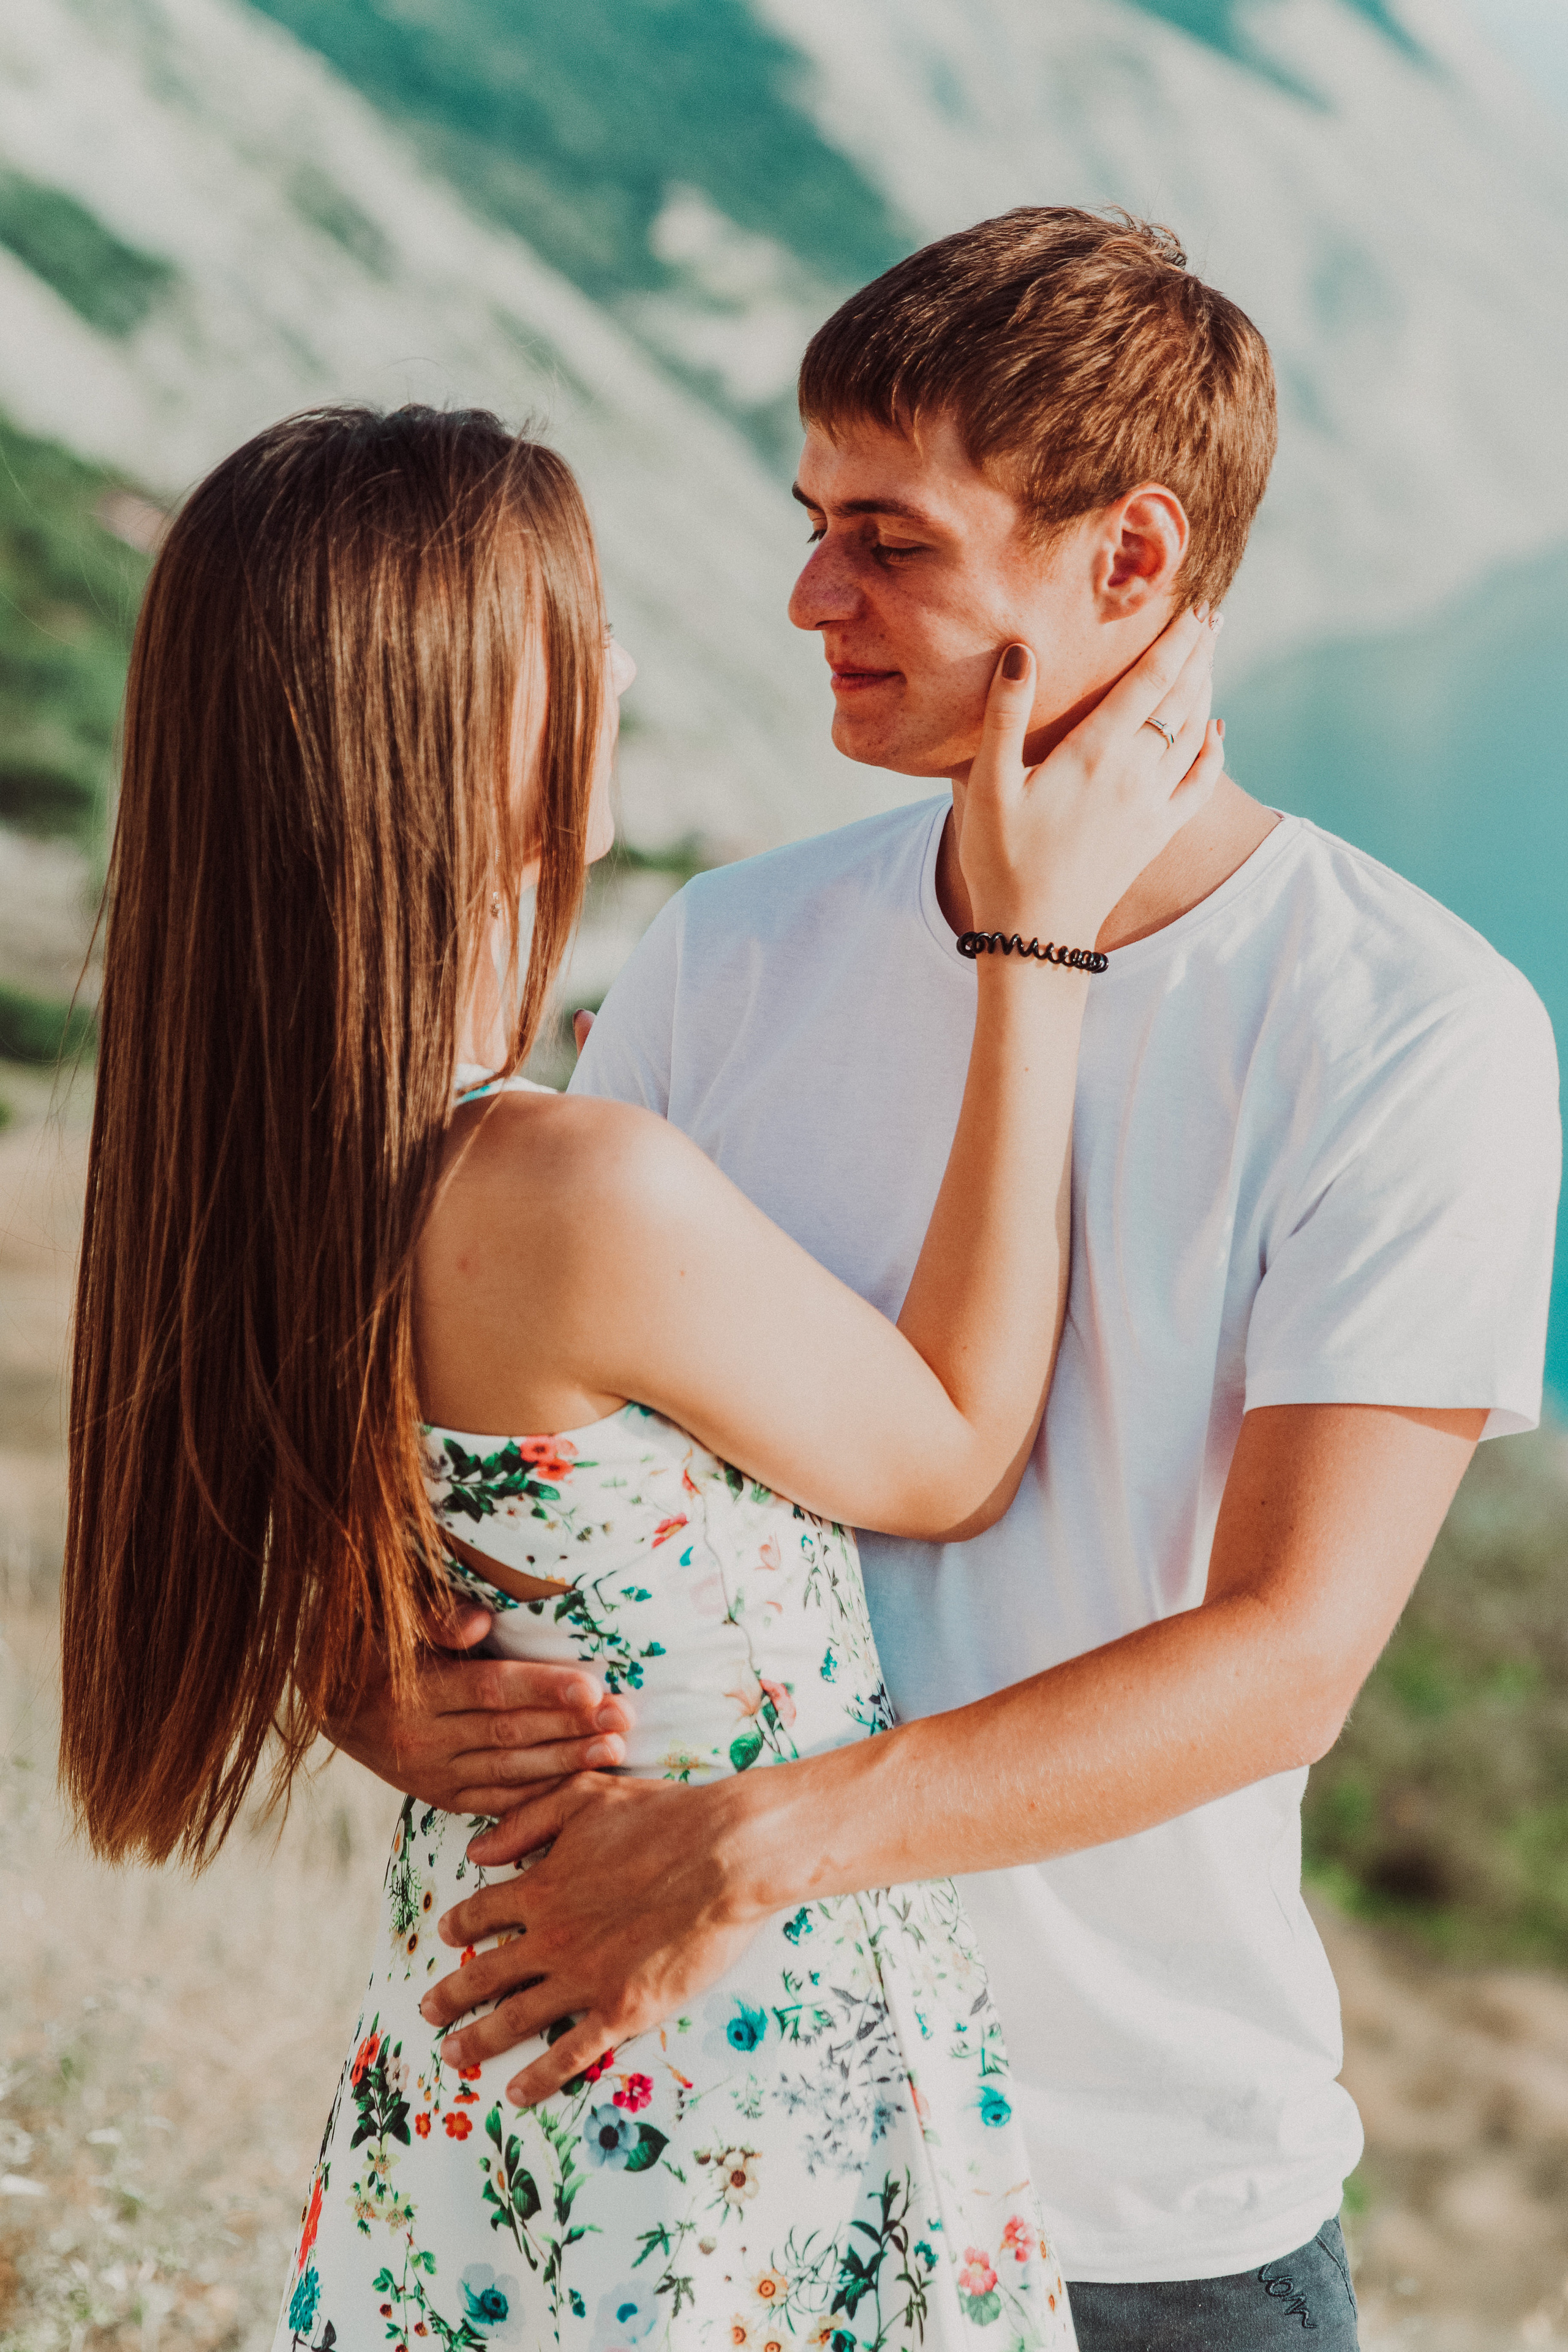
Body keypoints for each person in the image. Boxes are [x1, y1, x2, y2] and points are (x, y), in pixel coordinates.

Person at [339, 211, 1561, 2350]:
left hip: (1137, 2203)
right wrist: (356, 1672)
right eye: (812, 523)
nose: (811, 597)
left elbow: (1287, 1654)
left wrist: (748, 1847)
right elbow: (523, 1463)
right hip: (714, 2146)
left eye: (889, 540)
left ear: (1131, 560)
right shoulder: (729, 948)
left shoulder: (1411, 1026)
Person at [59, 401, 1229, 2350]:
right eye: (572, 629)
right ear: (470, 723)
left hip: (493, 2081)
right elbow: (946, 1452)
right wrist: (1036, 946)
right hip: (708, 2114)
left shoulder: (252, 1160)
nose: (621, 663)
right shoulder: (561, 1184)